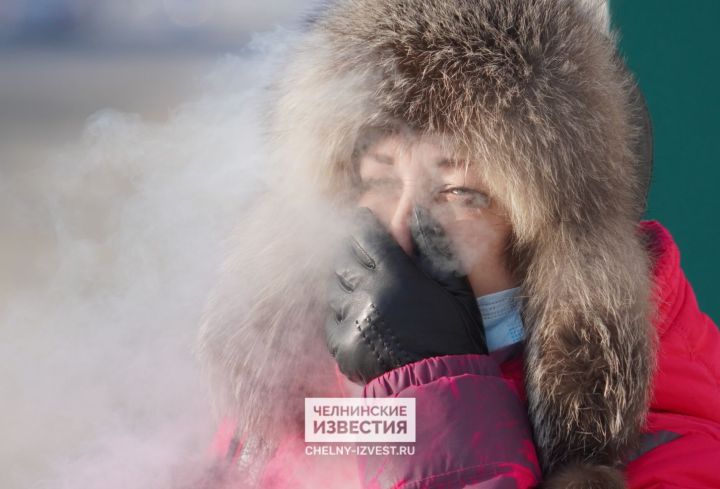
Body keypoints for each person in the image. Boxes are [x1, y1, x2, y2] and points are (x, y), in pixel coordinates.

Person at [197, 0, 720, 488]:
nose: (402, 231)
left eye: (460, 193)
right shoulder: (302, 396)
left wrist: (427, 386)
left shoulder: (678, 450)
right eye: (379, 181)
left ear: (556, 244)